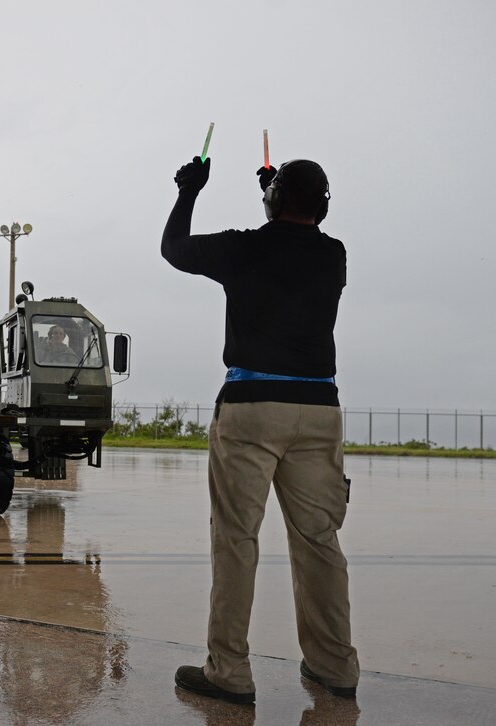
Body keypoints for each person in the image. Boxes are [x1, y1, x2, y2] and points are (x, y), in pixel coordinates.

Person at [162, 153, 358, 705]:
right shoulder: (333, 256)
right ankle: (335, 665)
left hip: (251, 407)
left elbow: (174, 248)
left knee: (236, 539)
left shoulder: (244, 247)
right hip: (320, 409)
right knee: (319, 540)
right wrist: (274, 193)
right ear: (323, 205)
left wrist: (189, 190)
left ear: (273, 202)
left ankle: (229, 671)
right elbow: (292, 234)